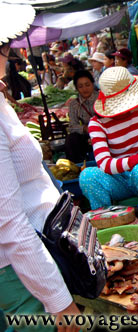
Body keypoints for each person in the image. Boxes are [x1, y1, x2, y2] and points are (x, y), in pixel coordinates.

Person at [0, 3, 80, 332]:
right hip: (18, 272)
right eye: (6, 50)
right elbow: (10, 223)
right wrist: (60, 301)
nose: (8, 58)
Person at [80, 66, 138, 210]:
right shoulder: (97, 124)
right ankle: (106, 219)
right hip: (119, 179)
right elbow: (105, 164)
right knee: (87, 176)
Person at [65, 70, 97, 163]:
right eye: (80, 86)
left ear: (92, 84)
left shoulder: (102, 98)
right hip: (87, 135)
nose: (85, 89)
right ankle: (78, 166)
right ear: (76, 88)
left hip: (106, 132)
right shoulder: (74, 104)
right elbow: (72, 126)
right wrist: (85, 129)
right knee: (71, 140)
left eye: (87, 85)